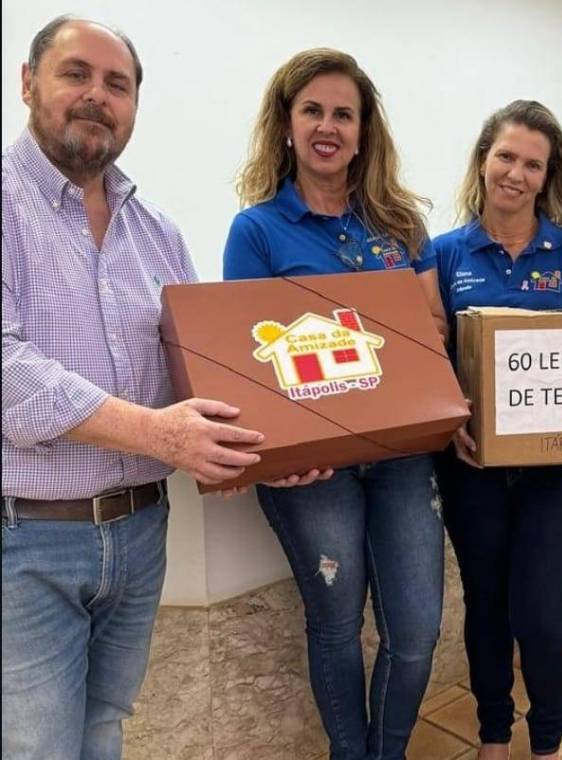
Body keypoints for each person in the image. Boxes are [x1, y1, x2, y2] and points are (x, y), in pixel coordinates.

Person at [1, 16, 269, 760]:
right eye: (75, 74)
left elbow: (199, 370)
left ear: (134, 106)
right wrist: (158, 434)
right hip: (26, 542)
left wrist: (270, 447)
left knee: (103, 732)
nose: (97, 95)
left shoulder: (158, 233)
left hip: (140, 533)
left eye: (117, 84)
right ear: (28, 83)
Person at [222, 48, 446, 760]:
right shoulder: (257, 231)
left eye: (343, 114)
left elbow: (434, 333)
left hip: (402, 455)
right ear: (286, 125)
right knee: (336, 625)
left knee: (417, 631)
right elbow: (247, 360)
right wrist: (277, 450)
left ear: (363, 130)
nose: (328, 126)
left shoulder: (402, 225)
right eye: (312, 111)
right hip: (313, 469)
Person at [434, 100, 562, 760]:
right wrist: (452, 420)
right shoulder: (442, 254)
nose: (516, 173)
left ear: (547, 176)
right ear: (483, 160)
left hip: (558, 472)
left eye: (533, 164)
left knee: (544, 617)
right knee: (487, 606)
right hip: (472, 466)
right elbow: (430, 359)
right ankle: (493, 733)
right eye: (506, 156)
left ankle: (547, 741)